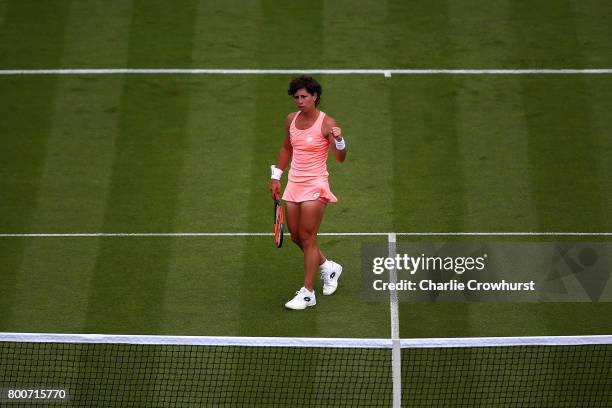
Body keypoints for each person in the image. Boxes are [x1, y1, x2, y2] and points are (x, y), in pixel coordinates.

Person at [269, 76, 347, 310]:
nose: (300, 101)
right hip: (294, 183)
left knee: (308, 236)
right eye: (297, 97)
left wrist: (340, 139)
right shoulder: (291, 120)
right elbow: (286, 148)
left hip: (316, 184)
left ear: (315, 97)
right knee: (296, 237)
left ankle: (308, 293)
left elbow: (340, 158)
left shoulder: (326, 123)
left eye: (304, 96)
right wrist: (276, 176)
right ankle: (329, 267)